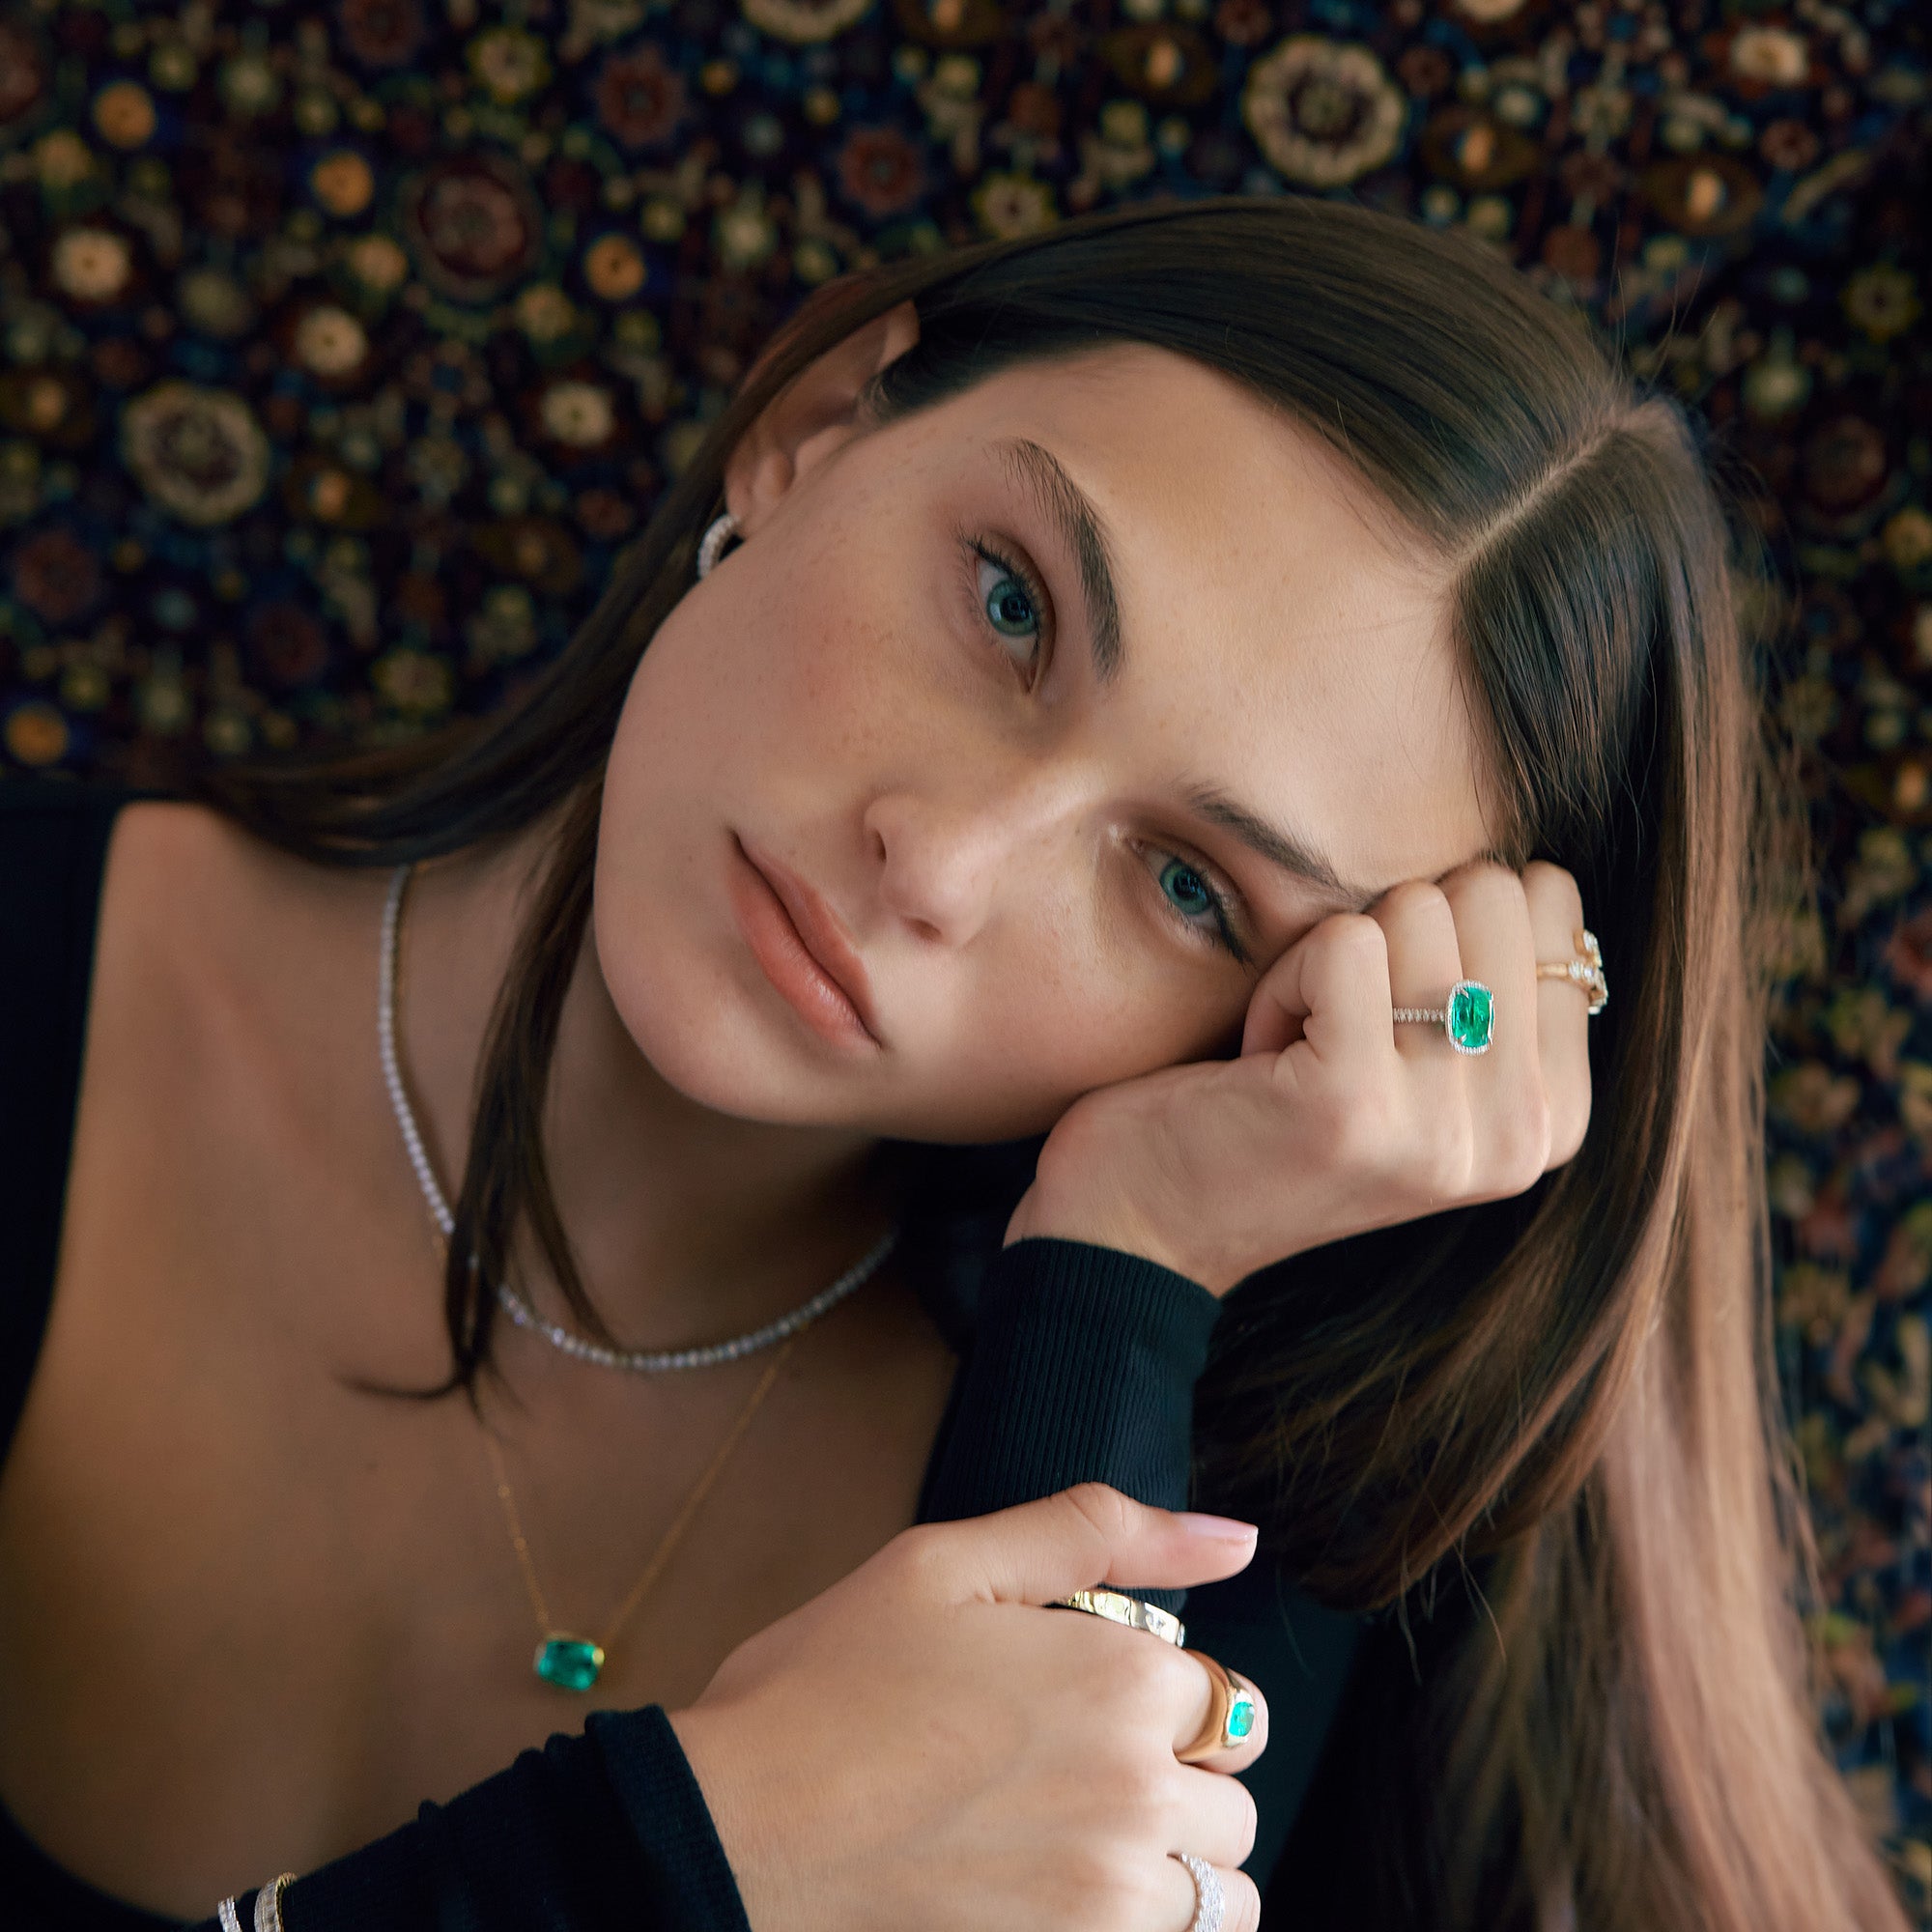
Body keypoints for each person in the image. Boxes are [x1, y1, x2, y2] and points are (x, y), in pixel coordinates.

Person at [0, 193, 1905, 1932]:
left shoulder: (1207, 1511)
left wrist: (1130, 1265)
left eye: (1183, 886)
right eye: (1009, 604)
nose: (943, 856)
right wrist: (698, 1859)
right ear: (816, 430)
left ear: (1292, 1012)